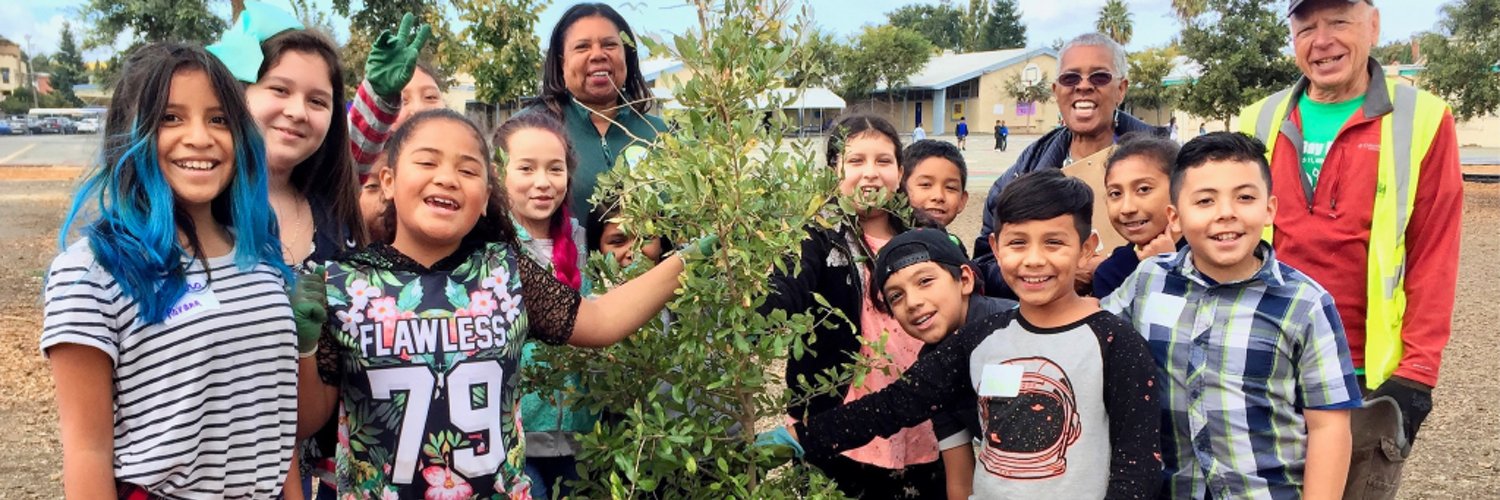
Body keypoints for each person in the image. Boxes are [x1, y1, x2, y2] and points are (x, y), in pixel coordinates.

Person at [295, 109, 714, 496]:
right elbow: (309, 421)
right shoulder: (344, 283)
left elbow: (601, 319)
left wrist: (687, 260)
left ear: (485, 195)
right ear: (387, 181)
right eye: (427, 162)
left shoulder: (506, 271)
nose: (447, 177)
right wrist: (306, 349)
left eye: (468, 169)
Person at [779, 169, 1162, 499]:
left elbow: (1138, 468)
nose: (1033, 260)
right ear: (994, 248)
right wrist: (799, 437)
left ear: (1086, 248)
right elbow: (893, 405)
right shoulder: (979, 339)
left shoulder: (1115, 342)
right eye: (1017, 243)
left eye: (1054, 242)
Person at [42, 42, 298, 498]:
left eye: (218, 119)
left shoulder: (260, 257)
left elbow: (276, 422)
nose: (200, 137)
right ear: (130, 133)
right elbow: (87, 451)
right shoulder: (90, 273)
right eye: (170, 118)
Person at [1238, 3, 1463, 497]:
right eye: (1307, 27)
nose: (1322, 41)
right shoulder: (1260, 118)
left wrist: (1417, 374)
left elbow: (1435, 250)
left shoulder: (1421, 118)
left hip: (1363, 377)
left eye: (1339, 22)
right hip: (1267, 364)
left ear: (1374, 25)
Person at [1102, 132, 1362, 499]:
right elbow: (1090, 334)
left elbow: (1328, 428)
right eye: (1205, 200)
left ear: (1269, 208)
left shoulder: (1304, 303)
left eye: (1245, 197)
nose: (1227, 213)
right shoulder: (1148, 282)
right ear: (1175, 217)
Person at [763, 114, 944, 498]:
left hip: (921, 409)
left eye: (883, 161)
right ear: (834, 170)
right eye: (855, 161)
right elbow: (787, 288)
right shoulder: (814, 236)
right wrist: (758, 308)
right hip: (839, 416)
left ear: (899, 171)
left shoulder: (925, 233)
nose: (870, 173)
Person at [972, 32, 1169, 299]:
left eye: (1099, 77)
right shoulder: (1024, 171)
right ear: (1056, 91)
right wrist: (1054, 275)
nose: (1083, 86)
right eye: (1070, 78)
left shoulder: (1171, 163)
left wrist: (1128, 266)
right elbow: (985, 263)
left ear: (1121, 89)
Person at [207, 2, 367, 272]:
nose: (297, 112)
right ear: (239, 93)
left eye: (317, 101)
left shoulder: (338, 218)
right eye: (280, 90)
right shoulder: (197, 209)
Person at [870, 229, 1018, 500]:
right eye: (896, 297)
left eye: (925, 281)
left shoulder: (1013, 326)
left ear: (964, 279)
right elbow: (960, 475)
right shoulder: (932, 366)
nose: (913, 302)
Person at [494, 112, 594, 499]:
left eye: (555, 169)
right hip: (516, 437)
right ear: (498, 173)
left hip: (579, 432)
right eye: (526, 168)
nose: (542, 182)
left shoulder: (578, 237)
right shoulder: (491, 246)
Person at [531, 2, 667, 222]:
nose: (597, 55)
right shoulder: (532, 128)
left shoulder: (658, 133)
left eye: (610, 45)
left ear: (627, 56)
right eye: (582, 47)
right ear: (562, 62)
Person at [1091, 133, 1181, 298]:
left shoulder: (1209, 253)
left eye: (1143, 189)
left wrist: (1166, 265)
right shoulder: (1112, 274)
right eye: (1115, 193)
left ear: (1179, 191)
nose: (1127, 208)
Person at [902, 139, 969, 231]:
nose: (938, 196)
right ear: (900, 188)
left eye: (950, 187)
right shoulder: (887, 243)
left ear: (962, 200)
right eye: (925, 184)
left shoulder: (953, 244)